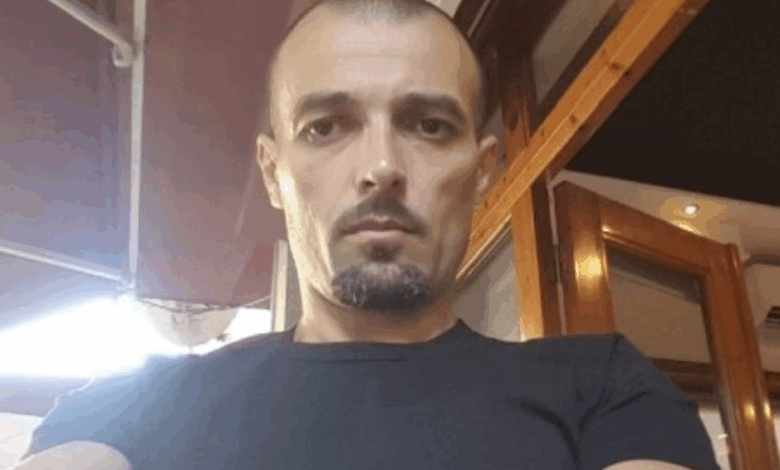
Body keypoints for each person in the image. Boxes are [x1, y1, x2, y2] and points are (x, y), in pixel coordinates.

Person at [15, 1, 721, 469]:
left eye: (429, 125)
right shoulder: (130, 405)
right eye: (326, 126)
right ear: (273, 172)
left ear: (481, 173)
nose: (381, 166)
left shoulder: (602, 387)